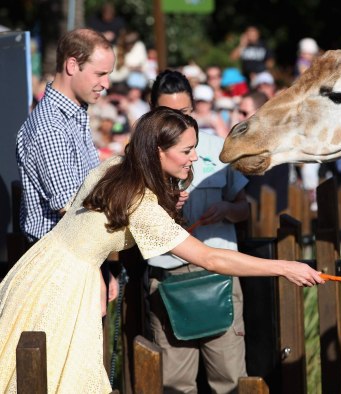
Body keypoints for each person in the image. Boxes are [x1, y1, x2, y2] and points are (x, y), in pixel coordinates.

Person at [0, 107, 324, 392]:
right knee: (57, 376)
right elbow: (210, 257)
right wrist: (284, 267)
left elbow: (83, 225)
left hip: (42, 265)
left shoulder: (116, 167)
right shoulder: (140, 203)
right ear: (158, 152)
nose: (195, 158)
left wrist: (97, 268)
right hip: (65, 285)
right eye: (187, 150)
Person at [147, 69, 250, 393]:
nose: (179, 119)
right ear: (153, 112)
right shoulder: (142, 156)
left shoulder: (219, 148)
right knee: (175, 384)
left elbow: (246, 207)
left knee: (231, 380)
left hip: (219, 274)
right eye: (169, 114)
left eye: (185, 112)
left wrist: (228, 210)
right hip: (168, 277)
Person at [15, 28, 118, 313]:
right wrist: (96, 271)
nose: (106, 83)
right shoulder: (51, 125)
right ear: (72, 65)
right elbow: (71, 208)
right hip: (58, 267)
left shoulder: (73, 115)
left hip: (76, 261)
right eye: (100, 74)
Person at [237, 91, 290, 213]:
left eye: (244, 113)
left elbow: (260, 192)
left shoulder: (269, 146)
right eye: (239, 112)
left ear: (260, 113)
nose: (239, 117)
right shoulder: (247, 144)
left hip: (266, 220)